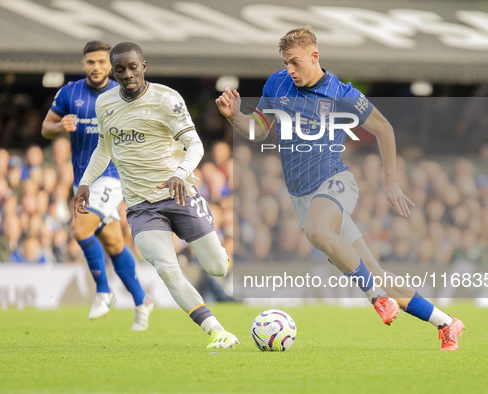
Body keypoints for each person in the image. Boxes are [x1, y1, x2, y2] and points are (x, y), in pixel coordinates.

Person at [216, 26, 465, 351]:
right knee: (374, 271)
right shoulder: (277, 84)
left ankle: (375, 298)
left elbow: (384, 129)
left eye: (295, 62)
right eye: (286, 63)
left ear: (314, 56)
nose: (290, 70)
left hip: (335, 182)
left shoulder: (340, 93)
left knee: (317, 232)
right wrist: (235, 116)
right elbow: (259, 131)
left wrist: (390, 180)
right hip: (302, 197)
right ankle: (446, 323)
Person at [74, 42, 238, 349]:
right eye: (120, 69)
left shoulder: (167, 99)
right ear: (113, 71)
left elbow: (196, 145)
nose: (127, 75)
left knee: (217, 267)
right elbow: (103, 148)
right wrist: (85, 182)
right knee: (167, 268)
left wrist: (180, 172)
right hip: (140, 206)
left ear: (143, 66)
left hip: (179, 194)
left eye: (132, 67)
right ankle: (216, 330)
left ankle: (218, 251)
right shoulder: (105, 103)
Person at [41, 40, 152, 331]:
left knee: (80, 228)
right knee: (114, 243)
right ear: (83, 65)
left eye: (102, 62)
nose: (96, 67)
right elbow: (45, 127)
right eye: (91, 62)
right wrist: (59, 127)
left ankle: (103, 290)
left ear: (110, 65)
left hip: (114, 175)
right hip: (84, 180)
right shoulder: (70, 93)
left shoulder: (122, 92)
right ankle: (142, 300)